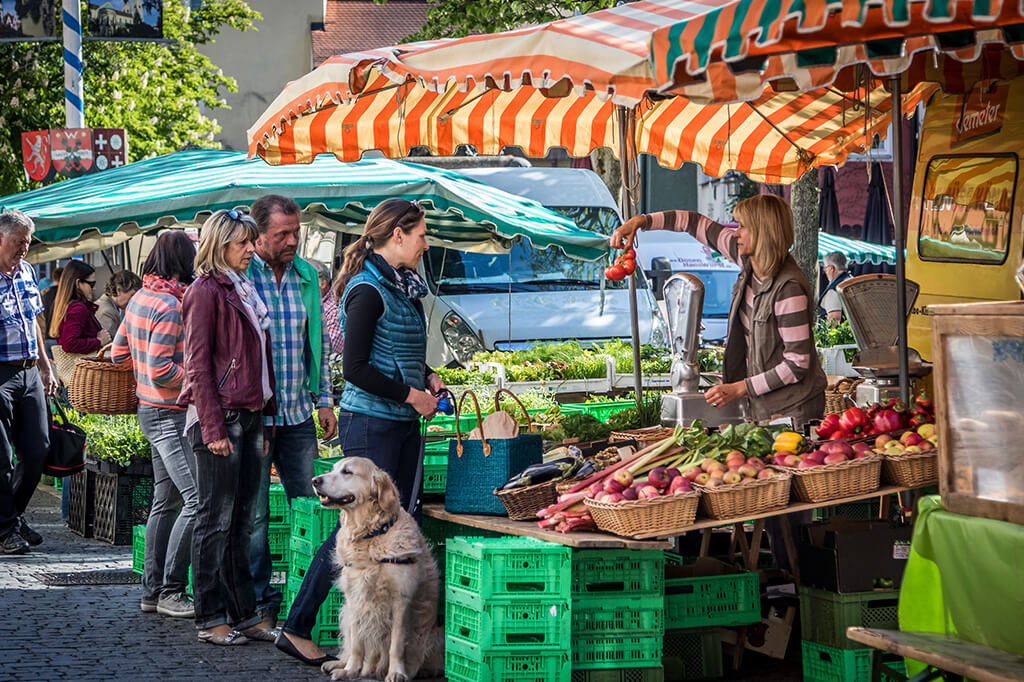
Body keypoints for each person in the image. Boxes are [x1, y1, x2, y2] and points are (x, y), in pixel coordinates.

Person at [275, 198, 445, 665]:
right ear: (398, 236)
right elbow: (355, 368)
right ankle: (297, 626)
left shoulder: (400, 286)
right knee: (358, 528)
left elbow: (393, 348)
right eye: (421, 235)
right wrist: (412, 396)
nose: (426, 244)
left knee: (392, 525)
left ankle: (383, 641)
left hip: (399, 421)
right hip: (372, 423)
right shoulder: (368, 290)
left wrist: (426, 375)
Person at [611, 195, 827, 426]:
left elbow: (797, 364)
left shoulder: (788, 288)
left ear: (762, 232)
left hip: (793, 411)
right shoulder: (748, 261)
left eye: (743, 226)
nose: (736, 233)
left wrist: (740, 388)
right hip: (763, 407)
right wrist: (641, 222)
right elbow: (693, 223)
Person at [178, 209, 278, 646]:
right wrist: (214, 427)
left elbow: (259, 364)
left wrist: (265, 418)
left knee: (239, 521)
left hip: (250, 415)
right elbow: (197, 365)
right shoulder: (204, 291)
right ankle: (209, 617)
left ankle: (245, 614)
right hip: (221, 418)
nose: (252, 250)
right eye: (243, 244)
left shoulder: (244, 288)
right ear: (220, 246)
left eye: (252, 242)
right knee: (214, 521)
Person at [245, 195, 337, 630]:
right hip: (256, 416)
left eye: (296, 232)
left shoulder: (305, 276)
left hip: (299, 414)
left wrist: (325, 399)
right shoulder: (243, 276)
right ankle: (261, 604)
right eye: (282, 233)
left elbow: (317, 345)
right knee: (256, 514)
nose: (292, 240)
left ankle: (309, 604)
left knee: (311, 506)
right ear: (259, 234)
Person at [112, 232, 198, 619]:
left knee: (166, 501)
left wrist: (144, 367)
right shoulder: (168, 305)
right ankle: (170, 590)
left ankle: (151, 592)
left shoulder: (140, 299)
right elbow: (162, 370)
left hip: (150, 410)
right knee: (197, 500)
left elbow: (117, 352)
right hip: (168, 413)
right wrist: (197, 376)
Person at [0, 210, 59, 555]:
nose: (25, 247)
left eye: (27, 241)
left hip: (28, 370)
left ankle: (12, 518)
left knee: (38, 449)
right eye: (19, 240)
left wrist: (45, 367)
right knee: (1, 458)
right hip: (1, 374)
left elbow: (34, 321)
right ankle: (6, 528)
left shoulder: (26, 271)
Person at [48, 261, 112, 386]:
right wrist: (99, 341)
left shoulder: (66, 305)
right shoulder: (78, 308)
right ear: (78, 283)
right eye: (91, 283)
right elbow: (69, 343)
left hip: (74, 380)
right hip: (82, 381)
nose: (93, 288)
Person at [309, 258, 344, 354]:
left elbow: (327, 350)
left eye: (305, 284)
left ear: (322, 284)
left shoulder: (334, 311)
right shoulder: (316, 300)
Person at [96, 269, 142, 339]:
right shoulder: (106, 312)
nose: (134, 300)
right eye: (132, 295)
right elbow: (108, 345)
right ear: (119, 291)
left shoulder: (110, 306)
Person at [818, 251, 851, 325]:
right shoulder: (851, 281)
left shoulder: (834, 289)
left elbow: (834, 319)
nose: (825, 272)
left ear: (831, 268)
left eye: (825, 269)